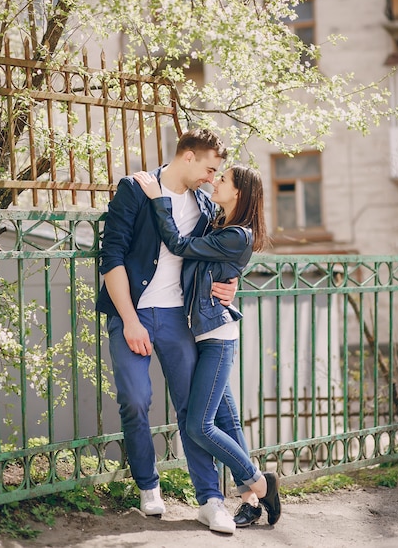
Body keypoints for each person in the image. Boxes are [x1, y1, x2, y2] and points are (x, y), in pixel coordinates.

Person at [96, 128, 239, 534]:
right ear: (188, 156)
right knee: (135, 399)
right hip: (132, 312)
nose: (213, 178)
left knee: (191, 409)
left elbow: (219, 253)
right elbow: (112, 257)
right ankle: (148, 484)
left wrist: (230, 284)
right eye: (210, 169)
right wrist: (130, 320)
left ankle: (211, 500)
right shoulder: (136, 188)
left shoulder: (204, 205)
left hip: (179, 317)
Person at [133, 164, 281, 530]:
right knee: (227, 420)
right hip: (197, 332)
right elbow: (213, 268)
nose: (215, 181)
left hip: (216, 337)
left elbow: (181, 246)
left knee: (199, 426)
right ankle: (250, 496)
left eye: (223, 179)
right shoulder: (216, 222)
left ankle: (261, 482)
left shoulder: (237, 234)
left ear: (240, 193)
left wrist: (158, 201)